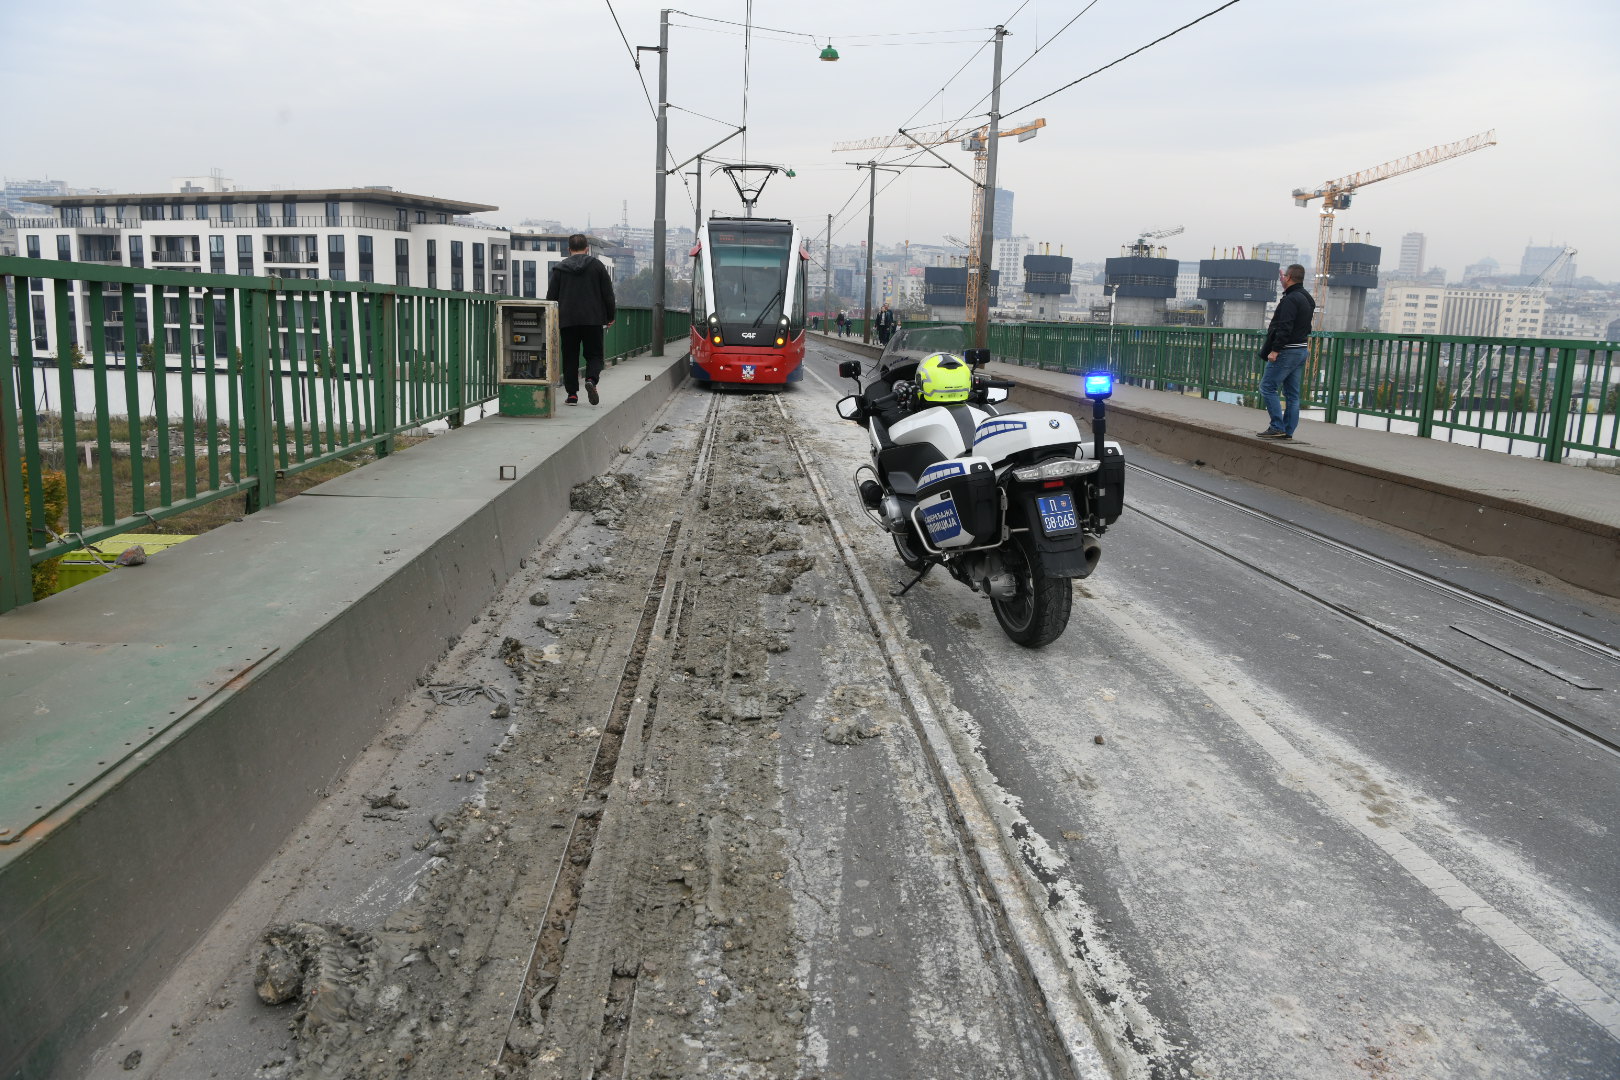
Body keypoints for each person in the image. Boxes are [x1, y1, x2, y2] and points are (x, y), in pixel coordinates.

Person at [546, 234, 616, 406]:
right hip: (593, 319)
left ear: (569, 249)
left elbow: (551, 298)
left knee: (570, 356)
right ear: (587, 249)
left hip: (568, 320)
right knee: (594, 354)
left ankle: (572, 395)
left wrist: (551, 319)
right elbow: (608, 294)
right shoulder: (597, 266)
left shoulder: (560, 269)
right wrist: (610, 316)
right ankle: (591, 379)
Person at [1256, 263, 1315, 440]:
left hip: (1287, 351)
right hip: (1301, 349)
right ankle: (1287, 431)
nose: (1282, 279)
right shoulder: (1307, 298)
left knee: (1267, 387)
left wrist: (1275, 350)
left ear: (1288, 277)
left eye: (1283, 276)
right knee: (1292, 394)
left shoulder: (1291, 299)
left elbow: (1285, 327)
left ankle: (1276, 427)